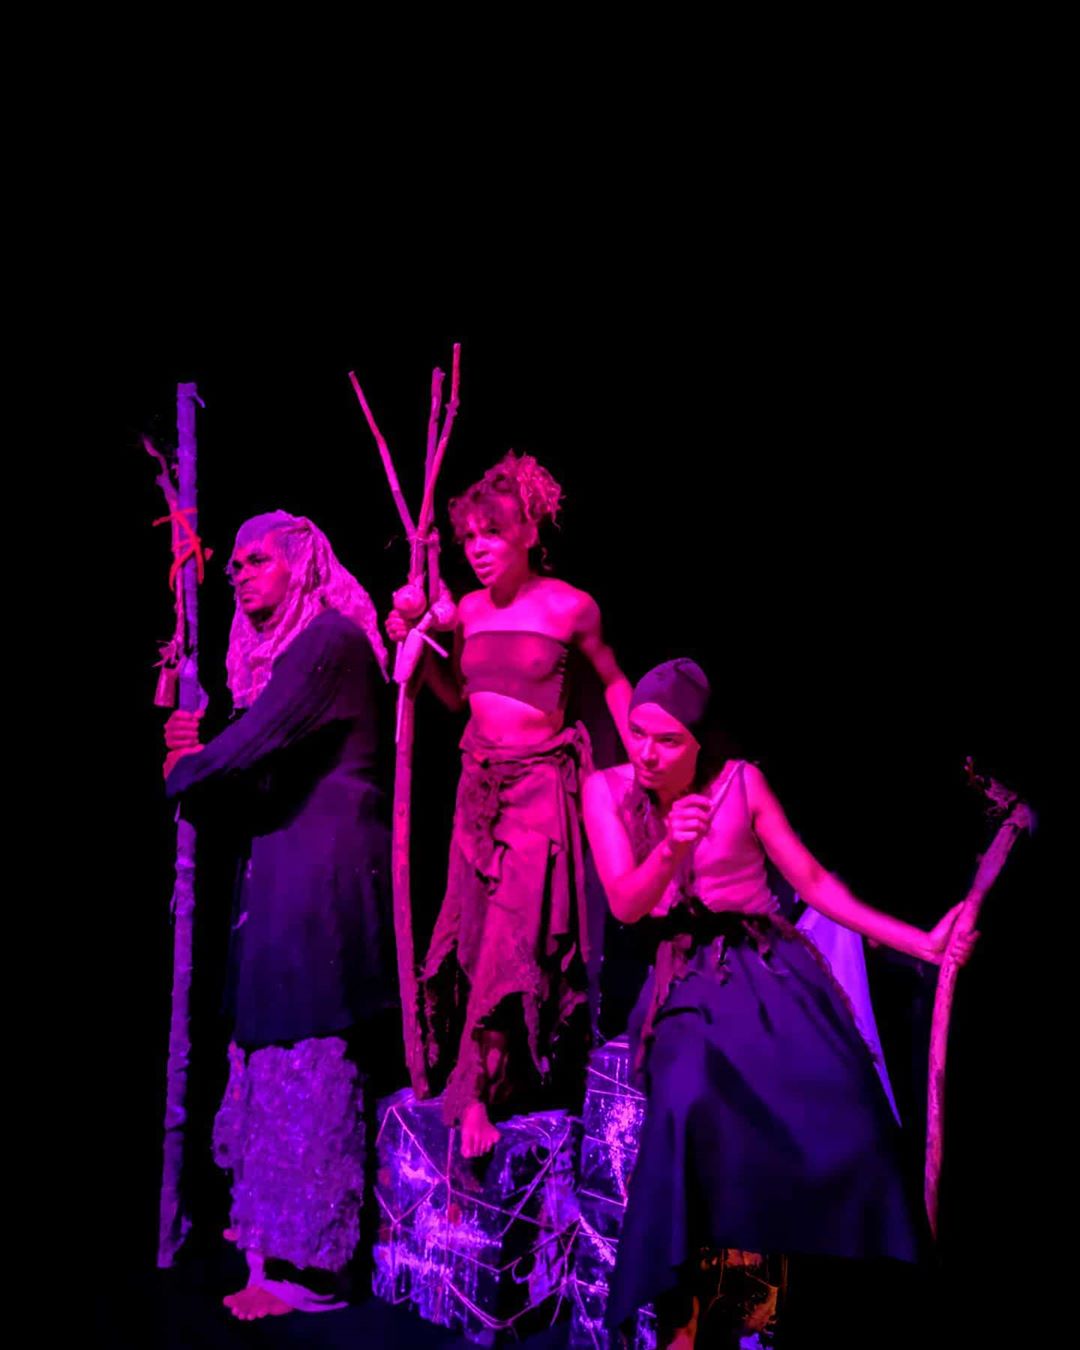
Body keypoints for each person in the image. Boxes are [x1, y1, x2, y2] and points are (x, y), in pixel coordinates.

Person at [581, 658, 977, 1348]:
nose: (647, 752)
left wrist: (922, 944)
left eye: (668, 740)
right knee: (689, 1095)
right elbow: (625, 903)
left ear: (700, 742)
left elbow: (815, 882)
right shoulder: (606, 790)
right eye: (639, 733)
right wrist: (671, 848)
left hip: (766, 966)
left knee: (848, 1107)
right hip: (685, 973)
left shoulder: (741, 783)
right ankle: (685, 1309)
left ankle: (777, 1299)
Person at [164, 510, 398, 1319]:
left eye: (257, 559)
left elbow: (252, 748)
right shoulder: (293, 657)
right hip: (286, 863)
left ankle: (313, 1268)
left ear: (301, 567)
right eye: (232, 563)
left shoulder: (330, 642)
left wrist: (187, 764)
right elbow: (253, 770)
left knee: (310, 1043)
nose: (237, 572)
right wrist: (200, 748)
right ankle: (270, 1237)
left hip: (324, 870)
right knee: (269, 1044)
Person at [388, 452, 631, 1157]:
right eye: (468, 537)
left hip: (539, 793)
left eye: (491, 533)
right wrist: (418, 653)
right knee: (472, 936)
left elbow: (614, 683)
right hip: (476, 790)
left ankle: (473, 1098)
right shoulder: (466, 611)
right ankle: (504, 1081)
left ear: (528, 530)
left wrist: (640, 757)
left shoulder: (571, 607)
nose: (478, 548)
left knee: (515, 937)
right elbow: (458, 698)